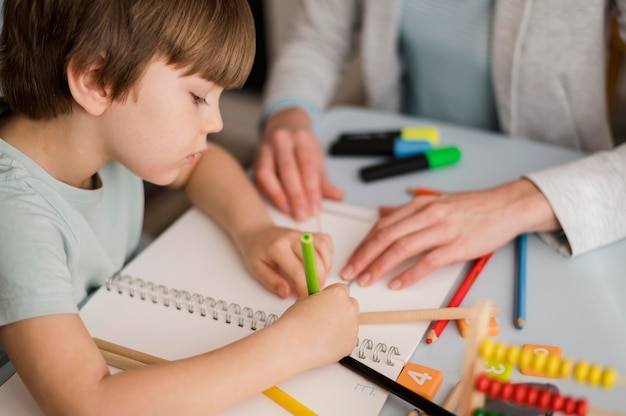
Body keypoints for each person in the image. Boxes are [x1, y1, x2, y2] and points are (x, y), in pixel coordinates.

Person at [0, 1, 359, 415]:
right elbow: (87, 404)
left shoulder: (102, 133)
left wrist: (254, 230)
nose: (217, 123)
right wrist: (294, 345)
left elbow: (203, 164)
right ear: (96, 80)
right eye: (198, 96)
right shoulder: (14, 214)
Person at [255, 0, 626, 289]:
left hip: (561, 191)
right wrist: (288, 113)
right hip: (405, 164)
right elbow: (316, 38)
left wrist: (518, 203)